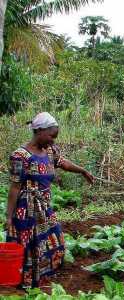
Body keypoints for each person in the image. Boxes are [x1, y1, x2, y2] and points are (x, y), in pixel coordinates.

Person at [5, 112, 94, 288]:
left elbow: (63, 163)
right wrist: (8, 217)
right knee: (30, 246)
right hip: (26, 209)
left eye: (55, 137)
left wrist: (82, 170)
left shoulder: (50, 150)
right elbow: (14, 187)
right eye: (51, 136)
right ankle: (26, 282)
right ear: (39, 131)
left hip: (44, 206)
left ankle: (43, 277)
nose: (53, 141)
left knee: (54, 241)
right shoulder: (20, 156)